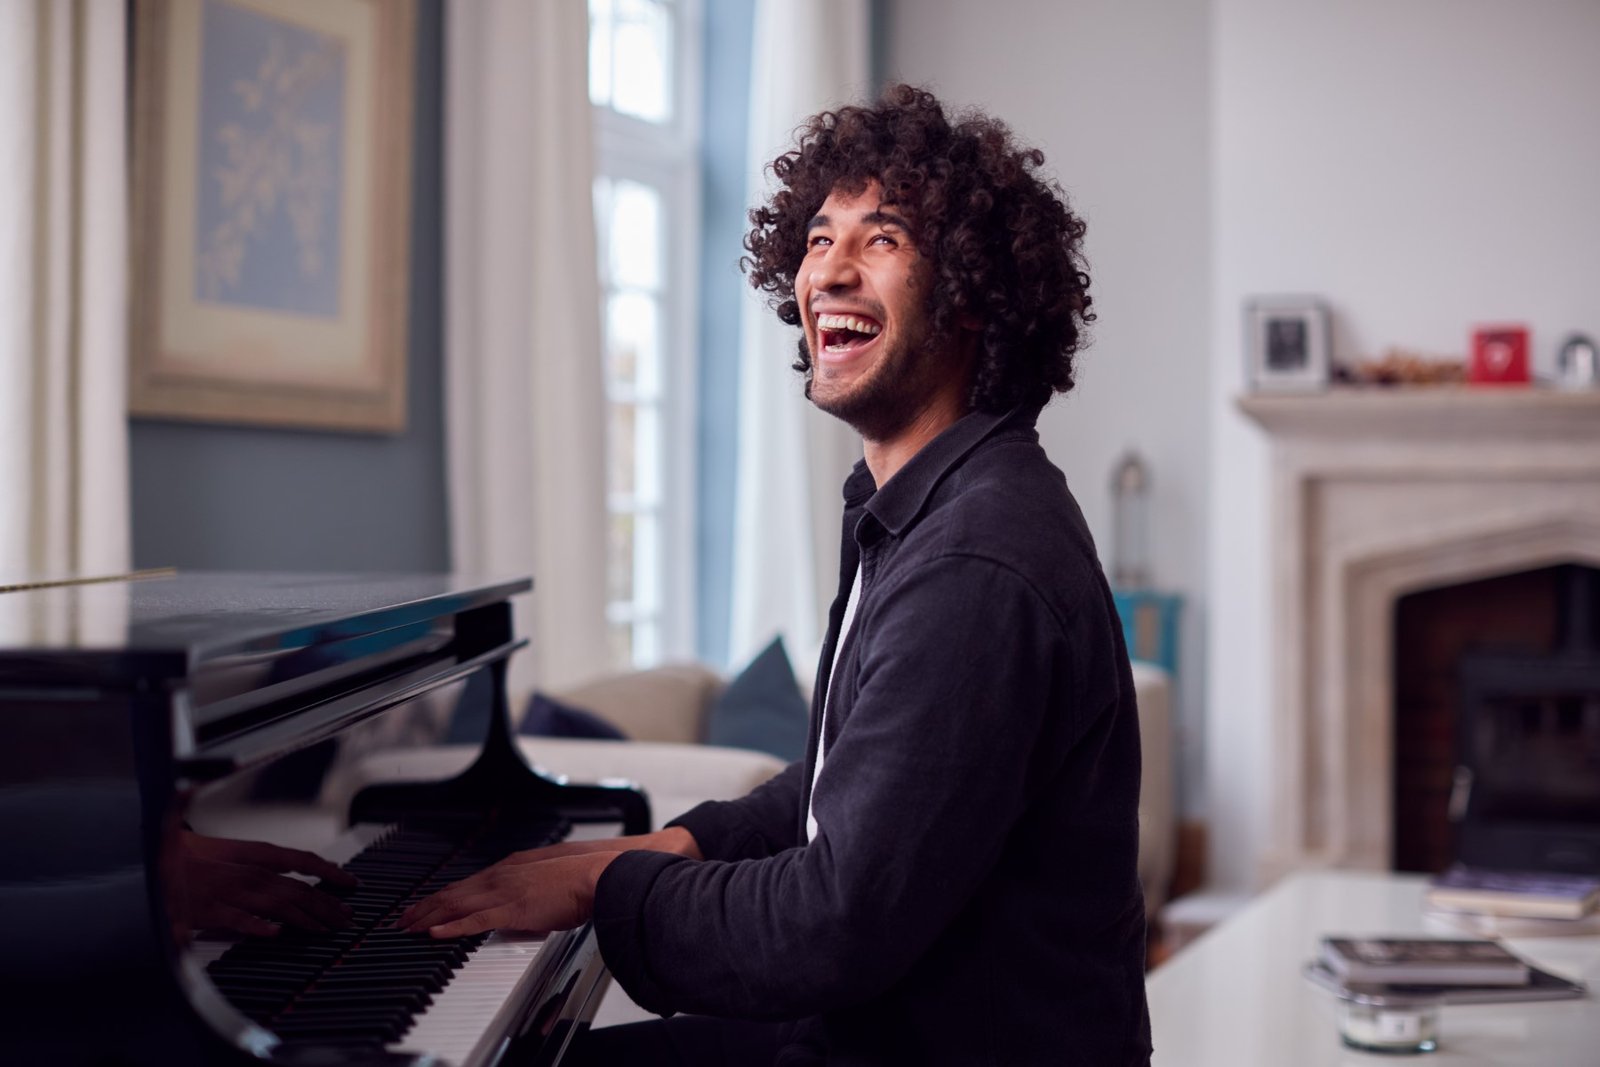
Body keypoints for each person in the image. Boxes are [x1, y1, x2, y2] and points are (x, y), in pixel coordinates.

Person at [399, 84, 1152, 1066]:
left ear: (970, 292)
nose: (828, 270)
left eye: (880, 240)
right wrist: (677, 845)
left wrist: (606, 887)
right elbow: (867, 776)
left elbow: (831, 923)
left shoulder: (976, 558)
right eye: (815, 238)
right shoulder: (930, 506)